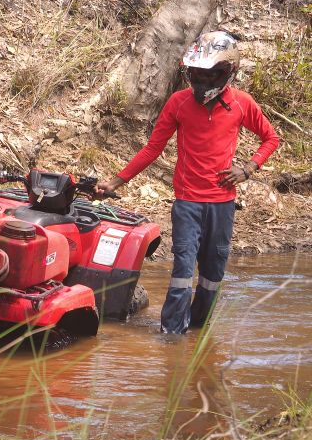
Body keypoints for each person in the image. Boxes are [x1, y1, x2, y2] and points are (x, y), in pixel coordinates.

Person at [97, 31, 280, 334]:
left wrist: (248, 168)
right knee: (182, 272)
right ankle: (171, 336)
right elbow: (152, 148)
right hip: (188, 204)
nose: (201, 81)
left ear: (227, 72)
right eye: (196, 73)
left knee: (212, 275)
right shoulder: (179, 103)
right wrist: (116, 182)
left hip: (222, 206)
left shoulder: (242, 104)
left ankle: (197, 334)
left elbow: (271, 138)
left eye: (208, 75)